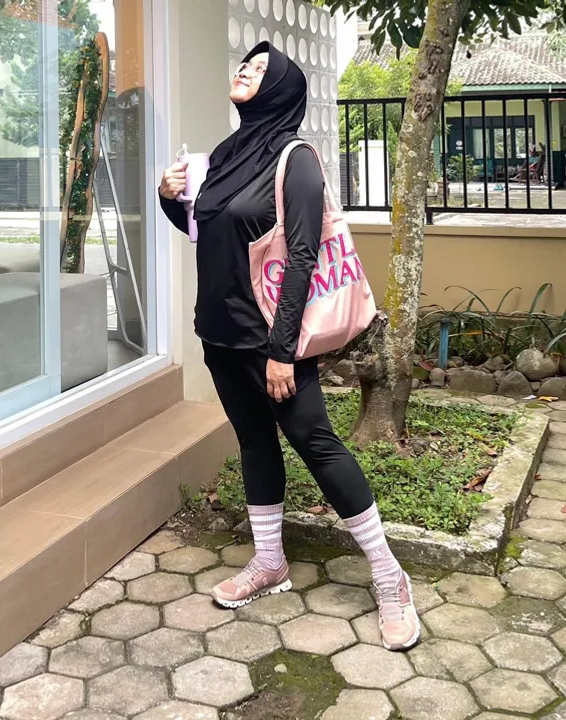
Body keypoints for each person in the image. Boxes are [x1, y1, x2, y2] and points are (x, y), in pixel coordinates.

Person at [158, 41, 420, 652]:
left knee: (316, 443)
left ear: (279, 89)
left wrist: (283, 352)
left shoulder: (295, 158)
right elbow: (207, 232)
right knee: (255, 441)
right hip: (219, 333)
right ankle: (270, 561)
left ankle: (390, 577)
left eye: (259, 69)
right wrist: (170, 200)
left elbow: (303, 257)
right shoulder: (226, 154)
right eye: (244, 64)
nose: (245, 70)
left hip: (270, 339)